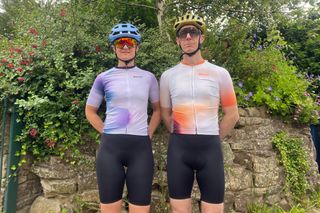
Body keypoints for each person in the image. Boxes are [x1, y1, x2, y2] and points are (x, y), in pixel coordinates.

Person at [160, 13, 239, 213]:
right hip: (179, 148)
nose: (188, 37)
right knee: (179, 209)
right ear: (178, 41)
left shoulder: (220, 73)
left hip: (209, 149)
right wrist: (180, 132)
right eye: (183, 33)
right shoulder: (168, 76)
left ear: (201, 37)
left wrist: (212, 137)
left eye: (193, 32)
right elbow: (165, 113)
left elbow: (232, 114)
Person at [85, 23, 160, 213]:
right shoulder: (103, 77)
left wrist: (149, 132)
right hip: (111, 149)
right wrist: (105, 131)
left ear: (137, 47)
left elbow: (158, 110)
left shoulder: (148, 77)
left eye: (130, 42)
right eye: (120, 43)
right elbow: (90, 110)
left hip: (140, 149)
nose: (125, 46)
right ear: (113, 47)